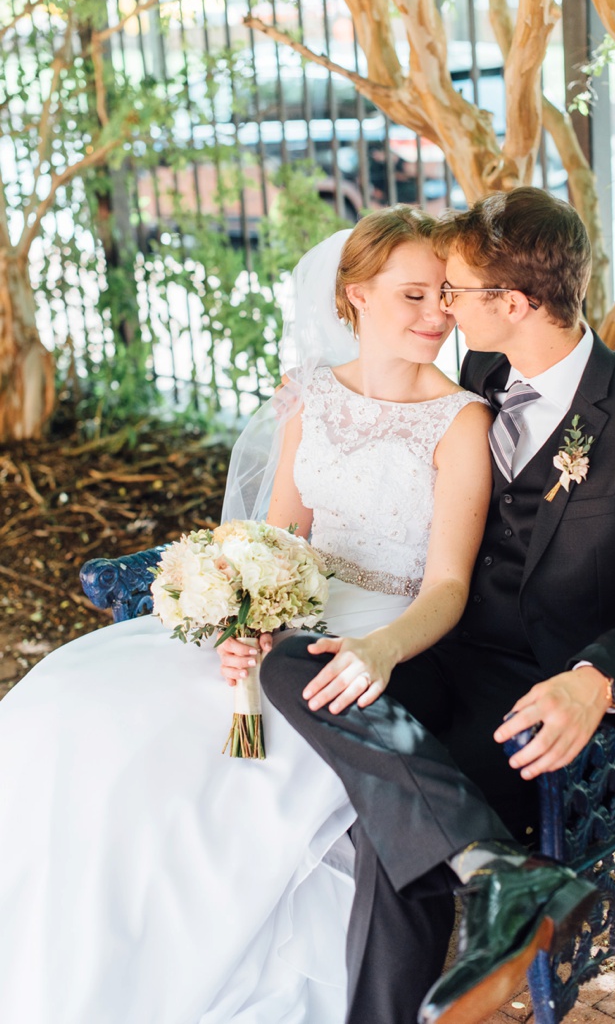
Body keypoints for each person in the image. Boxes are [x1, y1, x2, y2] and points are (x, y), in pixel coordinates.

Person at [224, 187, 615, 1024]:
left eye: (453, 289)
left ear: (514, 304)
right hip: (428, 644)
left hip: (533, 682)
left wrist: (594, 680)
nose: (443, 306)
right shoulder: (484, 372)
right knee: (289, 661)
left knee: (394, 839)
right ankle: (498, 870)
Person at [0, 206, 499, 1022]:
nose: (438, 314)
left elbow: (446, 588)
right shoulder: (309, 400)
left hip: (373, 631)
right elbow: (276, 537)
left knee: (202, 777)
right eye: (414, 295)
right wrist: (244, 618)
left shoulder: (461, 421)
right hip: (286, 612)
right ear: (355, 297)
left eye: (446, 294)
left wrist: (374, 649)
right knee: (73, 712)